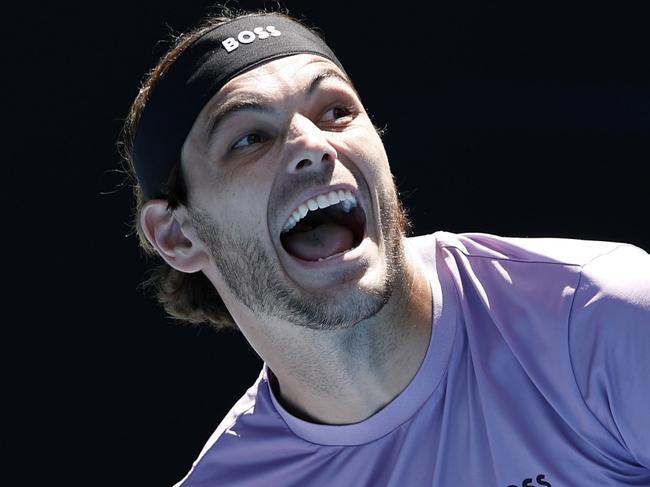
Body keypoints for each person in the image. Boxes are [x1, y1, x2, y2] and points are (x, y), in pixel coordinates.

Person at [118, 8, 650, 486]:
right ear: (178, 235)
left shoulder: (600, 317)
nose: (313, 145)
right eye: (248, 138)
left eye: (335, 111)